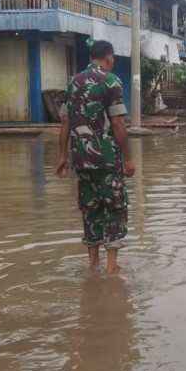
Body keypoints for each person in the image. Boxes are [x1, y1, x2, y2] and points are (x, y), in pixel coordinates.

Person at [55, 40, 135, 273]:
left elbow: (66, 121)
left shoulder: (73, 82)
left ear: (90, 57)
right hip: (107, 159)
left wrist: (61, 156)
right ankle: (111, 268)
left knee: (90, 207)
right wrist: (128, 158)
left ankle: (92, 264)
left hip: (80, 159)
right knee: (115, 207)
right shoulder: (111, 81)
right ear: (109, 58)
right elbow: (118, 122)